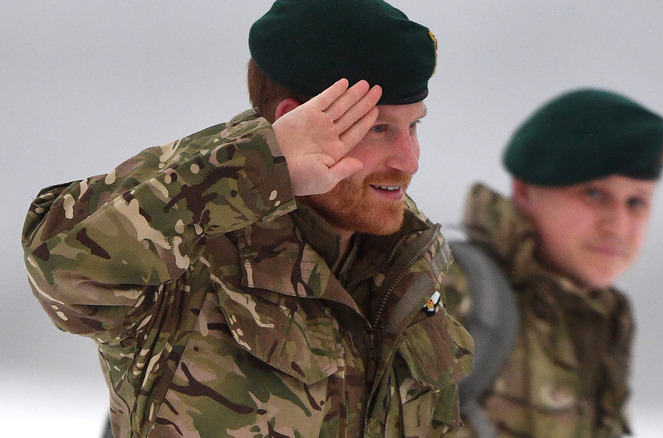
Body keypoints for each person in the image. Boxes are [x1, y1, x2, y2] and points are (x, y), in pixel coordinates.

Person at [21, 1, 474, 436]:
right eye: (380, 129)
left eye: (414, 126)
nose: (410, 161)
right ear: (295, 123)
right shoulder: (192, 256)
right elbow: (59, 266)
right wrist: (260, 163)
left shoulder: (408, 258)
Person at [442, 89, 663, 438]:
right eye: (594, 194)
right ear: (524, 192)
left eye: (636, 203)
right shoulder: (452, 290)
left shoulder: (602, 318)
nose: (618, 226)